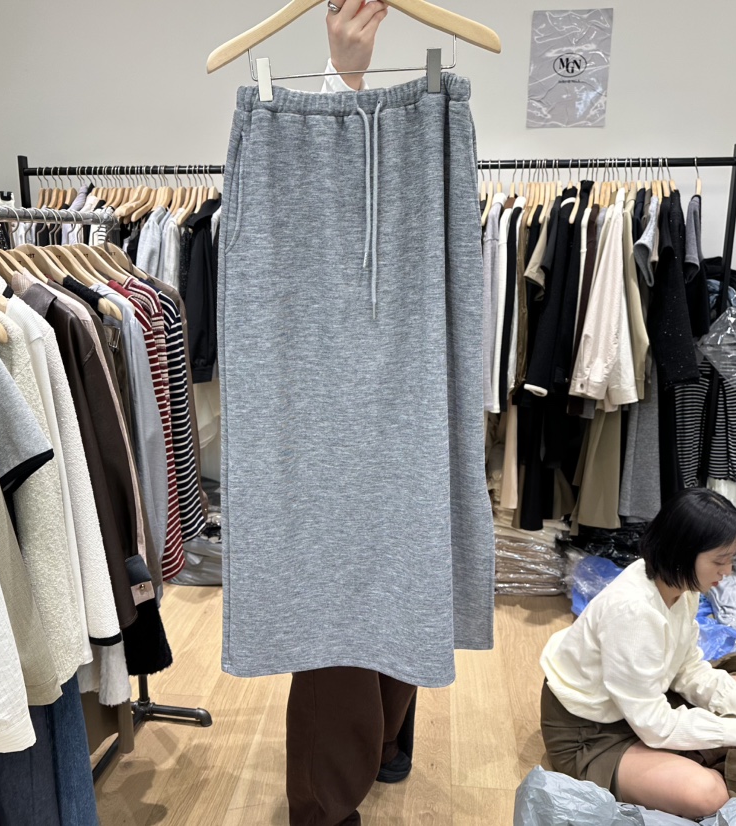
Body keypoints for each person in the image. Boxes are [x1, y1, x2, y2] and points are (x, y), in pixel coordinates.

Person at [283, 4, 418, 826]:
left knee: (400, 575)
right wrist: (343, 74)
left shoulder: (434, 143)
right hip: (334, 409)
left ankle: (383, 745)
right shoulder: (300, 167)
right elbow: (320, 226)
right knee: (341, 600)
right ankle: (328, 799)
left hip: (398, 389)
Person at [540, 488, 736, 819]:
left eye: (730, 561)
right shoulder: (634, 612)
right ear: (683, 552)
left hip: (631, 706)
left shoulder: (681, 586)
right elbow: (654, 724)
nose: (727, 573)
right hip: (588, 732)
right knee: (708, 793)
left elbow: (688, 668)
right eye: (719, 561)